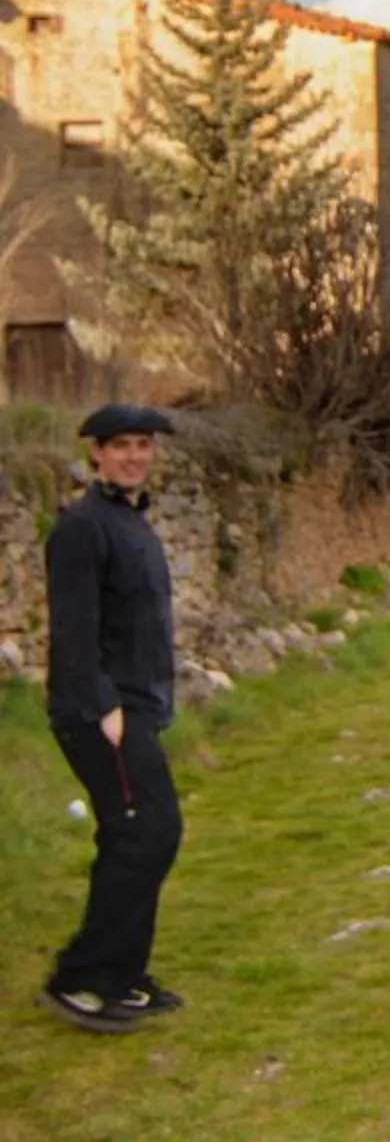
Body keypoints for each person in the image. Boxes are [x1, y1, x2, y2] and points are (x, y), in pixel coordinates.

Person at [38, 402, 186, 1034]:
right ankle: (81, 978)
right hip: (99, 713)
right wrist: (106, 706)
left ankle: (122, 975)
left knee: (139, 837)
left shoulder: (133, 523)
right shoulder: (82, 528)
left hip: (138, 710)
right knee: (145, 834)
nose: (134, 456)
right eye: (121, 445)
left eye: (143, 445)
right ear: (95, 452)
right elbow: (73, 631)